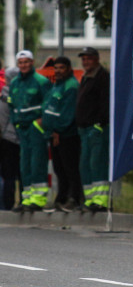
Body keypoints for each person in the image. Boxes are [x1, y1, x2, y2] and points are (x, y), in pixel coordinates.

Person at [8, 50, 51, 212]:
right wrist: (16, 123)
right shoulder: (14, 83)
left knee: (37, 162)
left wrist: (39, 123)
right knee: (24, 165)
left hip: (36, 128)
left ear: (32, 62)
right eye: (20, 62)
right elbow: (12, 105)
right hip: (22, 128)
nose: (23, 65)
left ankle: (38, 200)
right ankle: (26, 199)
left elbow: (48, 104)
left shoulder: (41, 81)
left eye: (26, 62)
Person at [42, 56, 82, 212]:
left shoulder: (71, 86)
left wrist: (58, 130)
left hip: (67, 135)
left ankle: (73, 198)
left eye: (61, 68)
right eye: (56, 68)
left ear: (69, 69)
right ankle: (62, 198)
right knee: (59, 168)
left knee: (70, 167)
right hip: (54, 134)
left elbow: (68, 112)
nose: (58, 71)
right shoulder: (56, 86)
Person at [75, 47, 110, 213]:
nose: (85, 62)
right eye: (83, 59)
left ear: (96, 59)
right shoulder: (86, 77)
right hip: (84, 130)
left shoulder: (102, 77)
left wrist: (99, 124)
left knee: (97, 164)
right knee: (85, 165)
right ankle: (89, 200)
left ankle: (100, 200)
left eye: (88, 58)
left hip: (96, 129)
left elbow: (105, 102)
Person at [0, 67, 20, 210]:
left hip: (7, 139)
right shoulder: (19, 93)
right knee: (20, 174)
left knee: (8, 175)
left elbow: (2, 118)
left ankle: (6, 205)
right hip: (19, 138)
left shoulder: (4, 95)